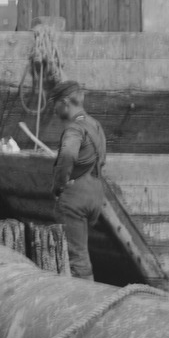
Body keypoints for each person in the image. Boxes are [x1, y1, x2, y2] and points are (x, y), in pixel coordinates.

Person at [50, 79, 107, 281]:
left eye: (55, 104)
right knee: (81, 252)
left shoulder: (74, 128)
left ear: (65, 102)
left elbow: (67, 155)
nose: (54, 111)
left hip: (75, 199)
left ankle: (84, 304)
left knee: (76, 258)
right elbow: (102, 158)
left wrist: (59, 185)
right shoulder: (95, 125)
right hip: (95, 195)